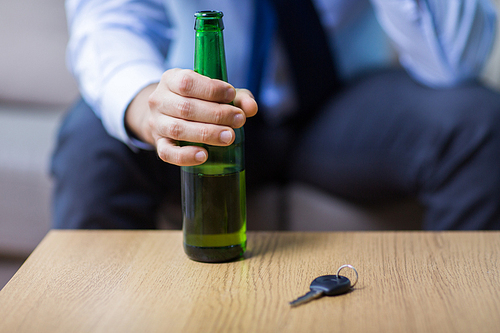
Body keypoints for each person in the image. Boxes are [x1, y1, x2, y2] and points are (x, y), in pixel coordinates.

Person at [52, 0, 500, 230]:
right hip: (211, 107)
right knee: (92, 143)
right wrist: (148, 105)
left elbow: (454, 61)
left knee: (479, 123)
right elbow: (109, 21)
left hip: (342, 103)